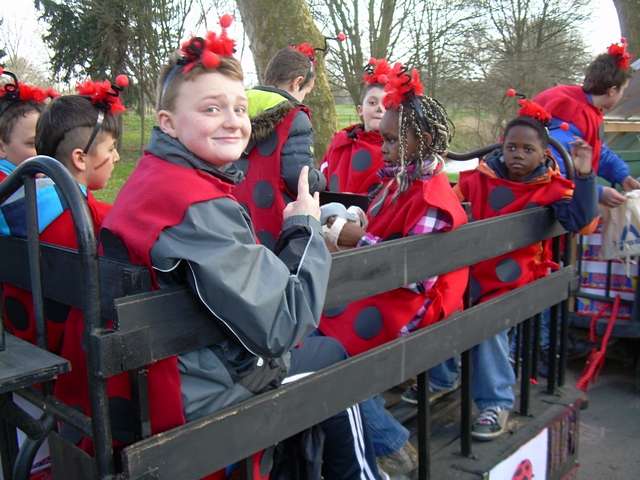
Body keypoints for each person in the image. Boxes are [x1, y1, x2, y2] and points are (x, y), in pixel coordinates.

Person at [101, 18, 382, 480]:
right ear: (168, 123)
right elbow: (285, 324)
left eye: (237, 108)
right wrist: (305, 229)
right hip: (189, 392)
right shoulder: (193, 203)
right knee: (329, 358)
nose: (233, 121)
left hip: (152, 374)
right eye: (211, 109)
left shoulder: (156, 178)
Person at [454, 94, 598, 441]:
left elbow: (581, 222)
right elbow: (452, 207)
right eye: (511, 147)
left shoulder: (551, 188)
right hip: (472, 275)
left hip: (516, 281)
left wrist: (585, 176)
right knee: (437, 307)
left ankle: (496, 402)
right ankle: (443, 377)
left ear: (543, 154)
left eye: (527, 149)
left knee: (488, 323)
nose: (517, 155)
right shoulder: (478, 179)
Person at [319, 62, 468, 357]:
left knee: (333, 333)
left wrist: (355, 238)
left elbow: (416, 274)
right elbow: (385, 231)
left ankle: (359, 399)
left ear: (422, 142)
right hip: (388, 285)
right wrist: (359, 221)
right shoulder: (400, 181)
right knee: (320, 307)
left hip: (412, 303)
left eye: (391, 140)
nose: (383, 149)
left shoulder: (430, 197)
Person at [233, 43, 326, 250]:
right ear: (297, 83)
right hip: (273, 221)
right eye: (306, 92)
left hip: (236, 216)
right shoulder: (295, 117)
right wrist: (320, 179)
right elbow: (299, 177)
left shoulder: (236, 109)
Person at [534, 37, 639, 208]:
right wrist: (596, 192)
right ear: (612, 91)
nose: (622, 96)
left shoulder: (588, 107)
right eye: (623, 90)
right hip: (539, 203)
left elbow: (595, 150)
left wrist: (622, 175)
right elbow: (554, 165)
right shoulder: (571, 111)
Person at [321, 57, 390, 195]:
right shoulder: (341, 144)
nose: (379, 109)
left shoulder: (399, 152)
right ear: (360, 110)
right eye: (372, 103)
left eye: (386, 104)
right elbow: (323, 182)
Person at [0, 69, 57, 181]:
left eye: (49, 143)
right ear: (1, 148)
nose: (46, 152)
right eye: (34, 144)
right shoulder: (10, 190)